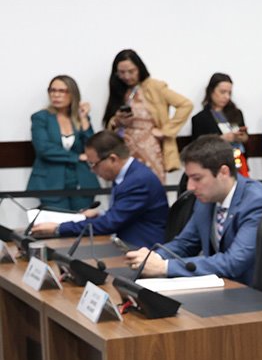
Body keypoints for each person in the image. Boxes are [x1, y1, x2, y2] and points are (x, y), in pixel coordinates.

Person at [126, 137, 262, 285]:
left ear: (223, 172)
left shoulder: (256, 202)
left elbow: (233, 262)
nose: (190, 187)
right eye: (189, 178)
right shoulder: (207, 199)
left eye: (197, 178)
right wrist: (154, 258)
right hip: (221, 286)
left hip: (252, 291)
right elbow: (185, 243)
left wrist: (164, 267)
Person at [32, 131, 168, 248]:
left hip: (142, 248)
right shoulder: (128, 174)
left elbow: (109, 224)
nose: (92, 170)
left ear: (113, 159)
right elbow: (123, 214)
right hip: (126, 243)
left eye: (93, 164)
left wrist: (58, 228)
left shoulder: (138, 181)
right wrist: (101, 214)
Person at [102, 49, 193, 182]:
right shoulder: (119, 90)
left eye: (131, 71)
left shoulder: (154, 87)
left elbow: (186, 104)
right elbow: (109, 123)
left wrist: (166, 131)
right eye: (121, 72)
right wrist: (116, 121)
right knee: (127, 185)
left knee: (152, 183)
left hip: (150, 148)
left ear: (140, 68)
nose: (127, 76)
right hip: (124, 148)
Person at [27, 75, 99, 211]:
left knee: (83, 220)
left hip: (81, 180)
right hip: (51, 181)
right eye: (52, 90)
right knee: (57, 221)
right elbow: (44, 149)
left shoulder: (80, 117)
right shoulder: (41, 117)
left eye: (62, 91)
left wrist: (84, 119)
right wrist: (77, 157)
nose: (56, 95)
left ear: (73, 94)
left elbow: (93, 147)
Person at [190, 73, 250, 176]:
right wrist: (221, 139)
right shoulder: (200, 118)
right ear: (211, 91)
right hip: (214, 165)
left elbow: (245, 139)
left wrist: (242, 137)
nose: (226, 97)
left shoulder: (236, 113)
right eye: (222, 92)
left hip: (238, 161)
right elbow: (197, 148)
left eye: (229, 93)